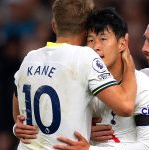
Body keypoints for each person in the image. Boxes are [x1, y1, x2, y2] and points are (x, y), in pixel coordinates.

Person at [13, 1, 137, 149]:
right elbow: (126, 106)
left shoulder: (30, 58)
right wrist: (129, 64)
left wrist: (16, 127)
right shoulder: (84, 57)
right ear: (86, 29)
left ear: (53, 25)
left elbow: (18, 113)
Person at [53, 8, 149, 150]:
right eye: (90, 40)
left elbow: (146, 145)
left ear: (122, 43)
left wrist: (90, 149)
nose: (96, 47)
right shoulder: (78, 83)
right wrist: (83, 129)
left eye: (103, 39)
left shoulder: (142, 83)